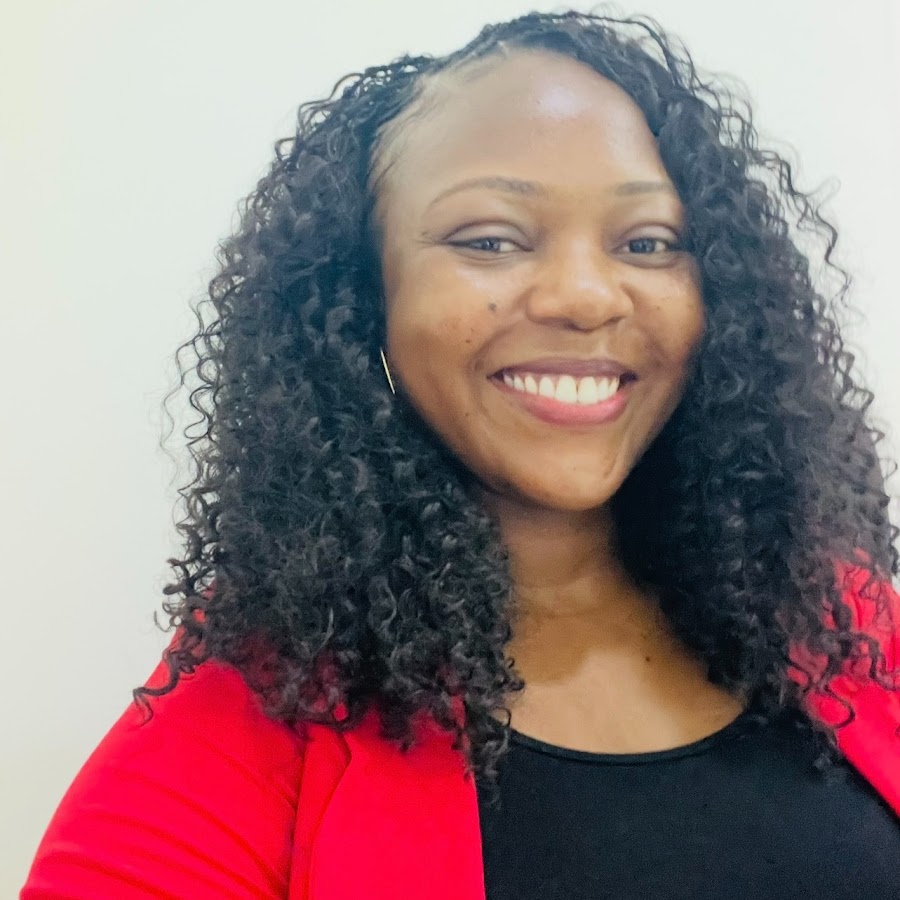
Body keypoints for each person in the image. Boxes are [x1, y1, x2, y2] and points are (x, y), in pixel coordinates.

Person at [22, 9, 900, 899]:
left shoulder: (839, 614)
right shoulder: (264, 695)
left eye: (647, 243)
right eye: (490, 239)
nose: (585, 297)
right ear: (366, 299)